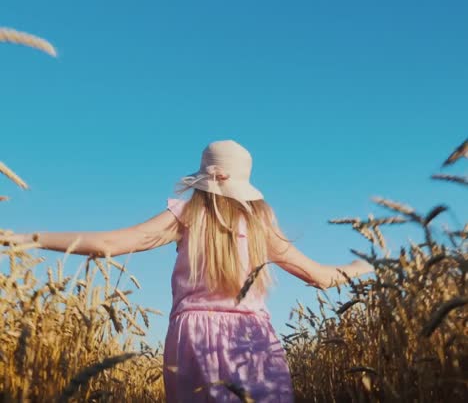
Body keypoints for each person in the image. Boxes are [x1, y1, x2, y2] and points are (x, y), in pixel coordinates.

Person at [6, 140, 373, 402]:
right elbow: (321, 277)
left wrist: (31, 237)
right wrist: (363, 266)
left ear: (204, 176)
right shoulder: (261, 224)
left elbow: (110, 244)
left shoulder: (186, 214)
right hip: (253, 339)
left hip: (191, 338)